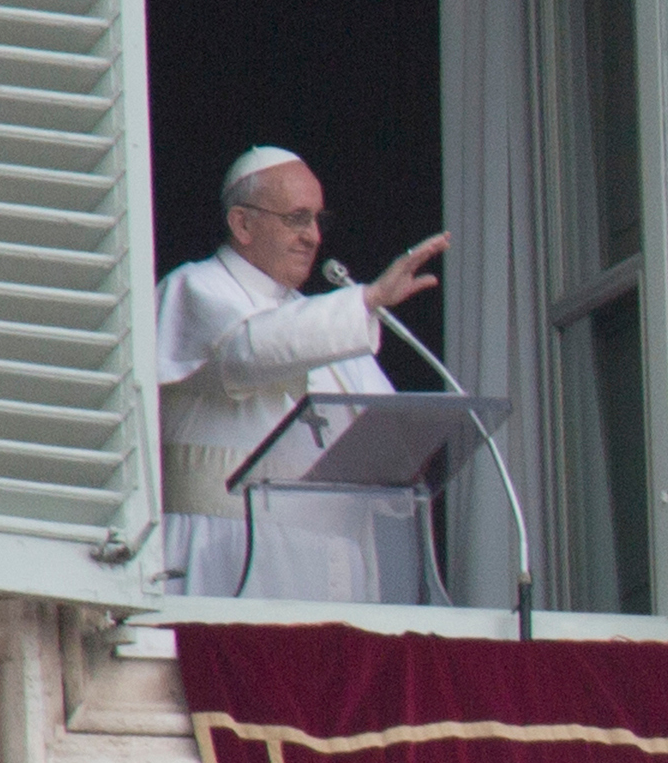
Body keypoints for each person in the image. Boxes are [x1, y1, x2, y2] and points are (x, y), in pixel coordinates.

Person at [157, 146, 449, 599]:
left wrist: (411, 451)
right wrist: (366, 301)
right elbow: (246, 351)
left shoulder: (323, 319)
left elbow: (389, 432)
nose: (313, 236)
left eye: (318, 220)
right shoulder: (193, 287)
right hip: (226, 562)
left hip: (332, 571)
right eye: (297, 218)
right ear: (242, 224)